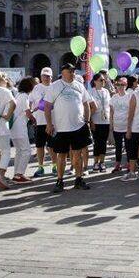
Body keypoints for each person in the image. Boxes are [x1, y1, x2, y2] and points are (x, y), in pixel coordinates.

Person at [45, 64, 93, 192]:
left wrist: (87, 121)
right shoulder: (55, 86)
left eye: (73, 71)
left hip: (78, 126)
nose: (72, 73)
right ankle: (60, 181)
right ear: (63, 72)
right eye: (69, 71)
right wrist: (49, 124)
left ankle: (78, 179)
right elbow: (47, 107)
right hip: (61, 128)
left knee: (78, 155)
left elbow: (86, 104)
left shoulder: (79, 85)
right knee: (61, 155)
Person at [8, 78, 35, 183]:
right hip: (20, 128)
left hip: (14, 128)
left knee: (19, 151)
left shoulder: (18, 95)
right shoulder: (24, 96)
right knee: (27, 151)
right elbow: (28, 113)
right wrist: (34, 119)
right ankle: (19, 174)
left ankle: (16, 174)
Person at [29, 67, 54, 177]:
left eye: (48, 76)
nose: (46, 78)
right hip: (39, 121)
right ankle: (40, 167)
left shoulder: (54, 87)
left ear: (51, 77)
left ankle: (55, 166)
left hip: (53, 121)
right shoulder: (37, 88)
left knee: (52, 146)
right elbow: (29, 101)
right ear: (41, 76)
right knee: (40, 146)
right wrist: (31, 114)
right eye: (44, 75)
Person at [88, 72, 112, 173]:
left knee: (103, 143)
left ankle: (102, 162)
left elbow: (109, 106)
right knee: (97, 142)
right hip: (96, 120)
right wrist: (91, 121)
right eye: (101, 80)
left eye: (104, 80)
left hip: (105, 120)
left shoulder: (106, 91)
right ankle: (96, 162)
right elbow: (89, 108)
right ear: (95, 81)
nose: (103, 82)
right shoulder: (91, 92)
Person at [109, 75, 133, 172]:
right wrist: (111, 126)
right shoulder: (114, 97)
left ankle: (128, 164)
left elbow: (132, 112)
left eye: (122, 84)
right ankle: (117, 164)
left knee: (128, 146)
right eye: (118, 84)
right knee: (118, 147)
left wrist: (130, 126)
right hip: (117, 126)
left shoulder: (130, 96)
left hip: (127, 126)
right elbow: (111, 112)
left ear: (126, 85)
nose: (120, 86)